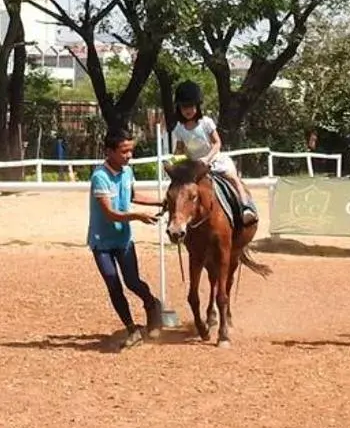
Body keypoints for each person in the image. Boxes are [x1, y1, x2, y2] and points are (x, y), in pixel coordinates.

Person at [88, 133, 164, 349]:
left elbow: (131, 196)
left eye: (130, 150)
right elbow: (110, 213)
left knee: (132, 281)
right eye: (124, 151)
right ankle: (132, 329)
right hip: (101, 241)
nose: (129, 156)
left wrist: (160, 202)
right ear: (109, 152)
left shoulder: (127, 171)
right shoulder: (99, 177)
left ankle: (152, 304)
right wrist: (138, 216)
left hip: (123, 239)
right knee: (113, 284)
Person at [167, 80, 257, 224]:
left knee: (232, 178)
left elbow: (217, 143)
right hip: (194, 167)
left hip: (213, 160)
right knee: (179, 188)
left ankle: (245, 206)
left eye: (191, 106)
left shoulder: (206, 122)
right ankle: (174, 213)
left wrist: (207, 158)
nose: (188, 110)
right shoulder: (179, 128)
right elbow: (180, 150)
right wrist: (172, 161)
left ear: (197, 105)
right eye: (184, 107)